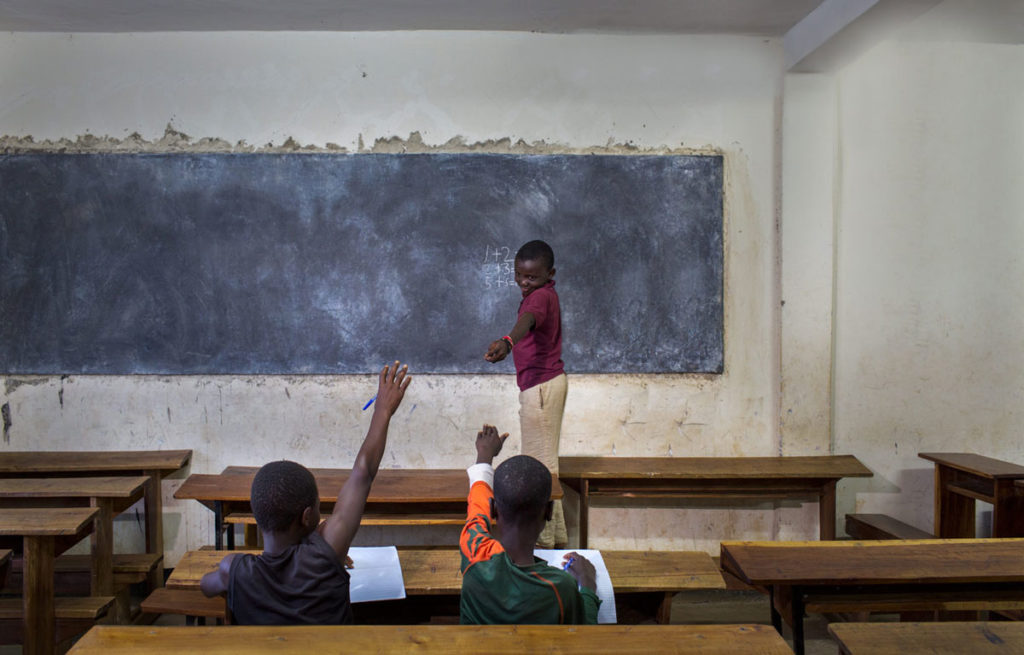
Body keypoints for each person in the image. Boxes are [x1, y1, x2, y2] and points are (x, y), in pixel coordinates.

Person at [199, 361, 412, 625]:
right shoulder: (325, 554)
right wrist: (383, 409)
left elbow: (205, 585)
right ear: (307, 516)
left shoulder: (235, 571)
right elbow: (363, 472)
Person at [459, 424, 600, 624]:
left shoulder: (475, 554)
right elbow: (584, 632)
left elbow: (477, 502)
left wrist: (484, 455)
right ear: (549, 512)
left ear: (494, 510)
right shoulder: (560, 587)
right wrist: (587, 584)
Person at [483, 239, 567, 548]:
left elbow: (527, 321)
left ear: (549, 274)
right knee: (546, 466)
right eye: (520, 275)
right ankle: (556, 541)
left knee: (540, 470)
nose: (523, 282)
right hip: (542, 386)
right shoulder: (543, 293)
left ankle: (542, 545)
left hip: (541, 389)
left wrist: (507, 341)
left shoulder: (540, 298)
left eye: (531, 277)